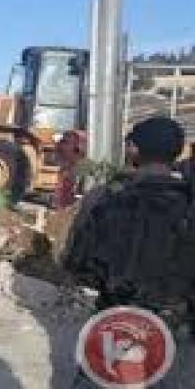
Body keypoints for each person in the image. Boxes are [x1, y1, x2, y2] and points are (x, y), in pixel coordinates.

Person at [63, 117, 195, 387]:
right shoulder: (188, 204)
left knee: (98, 376)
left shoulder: (103, 198)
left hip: (113, 319)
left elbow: (75, 263)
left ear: (133, 148)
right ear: (178, 152)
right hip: (170, 326)